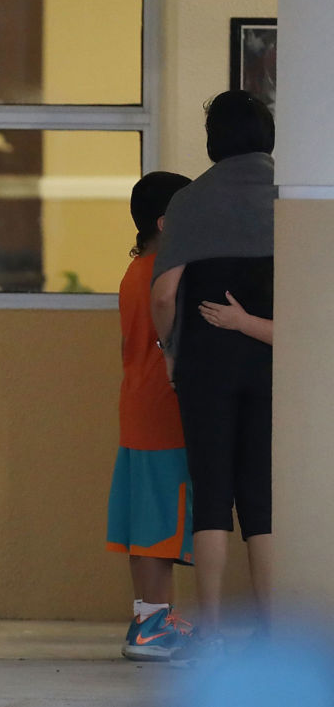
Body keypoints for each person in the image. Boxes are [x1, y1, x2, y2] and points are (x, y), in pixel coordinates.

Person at [150, 90, 276, 661]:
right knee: (261, 497)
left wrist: (169, 348)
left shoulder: (189, 202)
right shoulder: (290, 197)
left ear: (214, 140)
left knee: (212, 493)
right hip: (273, 361)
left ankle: (215, 628)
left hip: (205, 364)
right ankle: (273, 627)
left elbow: (165, 292)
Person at [104, 171, 195, 662]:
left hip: (139, 406)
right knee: (159, 527)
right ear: (166, 221)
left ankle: (152, 617)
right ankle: (152, 626)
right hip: (164, 411)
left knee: (146, 524)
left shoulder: (136, 269)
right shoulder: (167, 273)